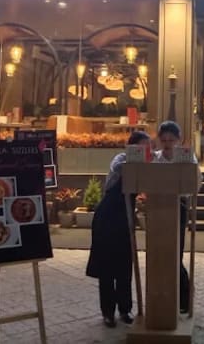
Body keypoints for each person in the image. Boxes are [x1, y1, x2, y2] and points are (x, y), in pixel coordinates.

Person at [86, 131, 151, 328]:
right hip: (107, 217)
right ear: (131, 147)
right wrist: (135, 160)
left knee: (124, 266)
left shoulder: (146, 165)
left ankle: (125, 309)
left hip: (125, 218)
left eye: (147, 146)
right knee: (107, 267)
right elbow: (118, 167)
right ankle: (108, 312)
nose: (145, 150)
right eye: (141, 145)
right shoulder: (120, 159)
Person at [152, 121, 202, 314]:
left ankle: (185, 298)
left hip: (178, 206)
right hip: (157, 208)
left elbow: (197, 182)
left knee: (175, 254)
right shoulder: (155, 158)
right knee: (160, 253)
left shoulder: (187, 158)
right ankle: (164, 297)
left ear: (178, 140)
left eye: (171, 140)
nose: (167, 144)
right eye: (164, 140)